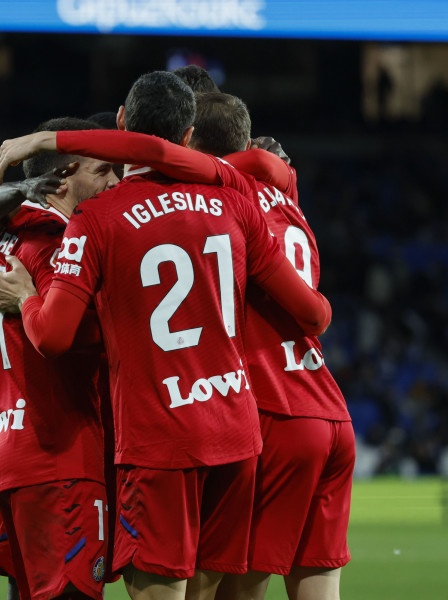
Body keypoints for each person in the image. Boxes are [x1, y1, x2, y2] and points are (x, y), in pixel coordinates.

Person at [0, 71, 332, 600]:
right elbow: (314, 313)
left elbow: (54, 336)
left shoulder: (98, 219)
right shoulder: (237, 196)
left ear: (123, 122)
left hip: (159, 436)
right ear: (188, 136)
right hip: (237, 431)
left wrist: (28, 297)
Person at [190, 92, 354, 600]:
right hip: (330, 412)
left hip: (274, 412)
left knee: (237, 591)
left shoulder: (225, 202)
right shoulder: (288, 199)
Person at [0, 116, 119, 600]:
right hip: (58, 455)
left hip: (13, 449)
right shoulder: (59, 243)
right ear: (65, 174)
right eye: (103, 171)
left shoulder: (11, 234)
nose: (116, 183)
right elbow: (72, 335)